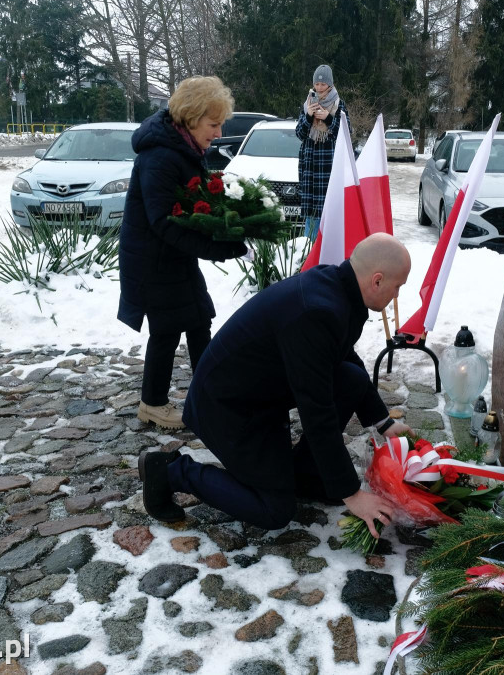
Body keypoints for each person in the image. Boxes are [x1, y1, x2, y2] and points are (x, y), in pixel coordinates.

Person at [138, 233, 414, 536]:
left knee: (351, 378)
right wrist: (352, 494)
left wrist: (383, 422)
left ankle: (307, 476)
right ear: (377, 280)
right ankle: (171, 471)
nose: (397, 295)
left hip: (261, 395)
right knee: (274, 510)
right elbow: (317, 410)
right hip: (226, 407)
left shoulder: (338, 290)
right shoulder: (317, 310)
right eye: (397, 287)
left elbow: (342, 355)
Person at [118, 76, 248, 430]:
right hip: (154, 261)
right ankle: (153, 404)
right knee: (167, 329)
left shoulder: (182, 147)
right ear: (191, 118)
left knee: (198, 320)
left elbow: (191, 206)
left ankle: (210, 396)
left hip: (172, 257)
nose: (219, 133)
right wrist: (215, 247)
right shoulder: (161, 156)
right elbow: (164, 221)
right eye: (213, 124)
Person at [296, 64, 349, 240]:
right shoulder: (307, 104)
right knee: (311, 213)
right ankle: (309, 248)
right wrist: (308, 116)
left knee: (329, 210)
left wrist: (328, 118)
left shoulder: (339, 105)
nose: (319, 88)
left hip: (329, 163)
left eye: (323, 84)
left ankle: (327, 246)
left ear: (330, 84)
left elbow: (346, 133)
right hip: (309, 165)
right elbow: (299, 134)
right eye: (316, 84)